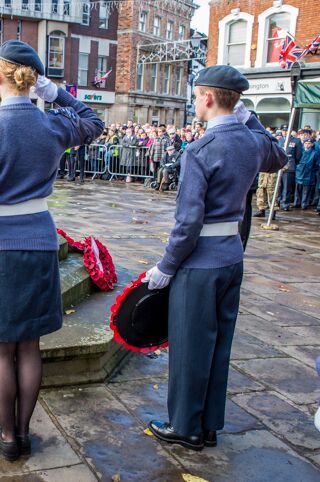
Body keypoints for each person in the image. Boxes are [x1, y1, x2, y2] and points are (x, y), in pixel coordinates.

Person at [0, 40, 103, 461]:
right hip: (37, 239)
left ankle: (8, 435)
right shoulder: (53, 125)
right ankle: (26, 432)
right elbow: (93, 121)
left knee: (0, 347)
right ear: (33, 81)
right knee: (30, 345)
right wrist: (58, 96)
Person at [143, 65, 286, 451]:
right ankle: (209, 424)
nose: (194, 103)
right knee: (220, 343)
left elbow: (187, 223)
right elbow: (280, 156)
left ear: (207, 97)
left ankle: (185, 426)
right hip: (231, 257)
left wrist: (166, 266)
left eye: (196, 96)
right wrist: (249, 117)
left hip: (200, 262)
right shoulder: (252, 141)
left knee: (190, 345)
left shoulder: (201, 149)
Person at [295, 139, 319, 209]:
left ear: (312, 144)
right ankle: (297, 203)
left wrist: (313, 171)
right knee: (298, 190)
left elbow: (316, 164)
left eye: (309, 143)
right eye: (306, 143)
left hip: (309, 174)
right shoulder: (301, 151)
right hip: (299, 173)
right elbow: (297, 160)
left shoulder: (315, 153)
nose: (307, 145)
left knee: (306, 191)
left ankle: (304, 204)